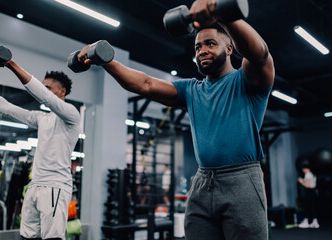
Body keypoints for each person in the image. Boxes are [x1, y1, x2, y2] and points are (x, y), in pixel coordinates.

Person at [78, 0, 274, 238]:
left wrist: (222, 14)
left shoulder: (246, 80)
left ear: (230, 49)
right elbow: (145, 84)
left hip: (242, 181)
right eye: (197, 47)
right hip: (202, 182)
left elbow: (260, 54)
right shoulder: (192, 90)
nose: (202, 50)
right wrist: (106, 61)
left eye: (210, 44)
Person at [0, 54, 81, 239]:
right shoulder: (42, 118)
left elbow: (46, 98)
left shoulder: (72, 115)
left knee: (52, 237)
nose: (43, 90)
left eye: (47, 87)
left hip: (55, 186)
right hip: (34, 186)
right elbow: (5, 107)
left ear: (62, 92)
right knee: (28, 236)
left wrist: (10, 64)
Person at [298, 163, 320, 228]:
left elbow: (307, 185)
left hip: (309, 192)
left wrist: (301, 181)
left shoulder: (307, 174)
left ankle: (306, 222)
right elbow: (314, 185)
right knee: (313, 207)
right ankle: (315, 222)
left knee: (306, 206)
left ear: (305, 169)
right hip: (313, 192)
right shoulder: (313, 174)